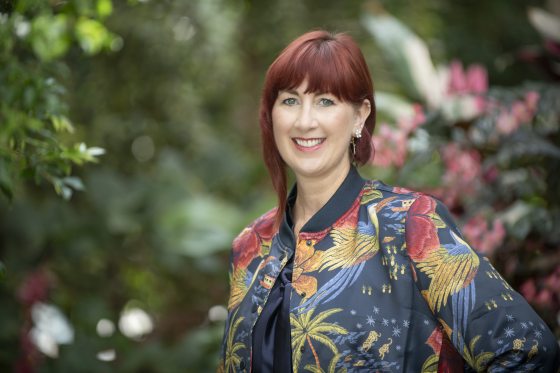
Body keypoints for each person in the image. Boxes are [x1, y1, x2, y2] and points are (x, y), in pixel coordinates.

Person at [218, 30, 560, 372]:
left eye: (325, 101)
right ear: (272, 114)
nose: (305, 121)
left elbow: (528, 350)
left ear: (359, 115)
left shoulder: (408, 224)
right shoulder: (251, 246)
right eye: (290, 100)